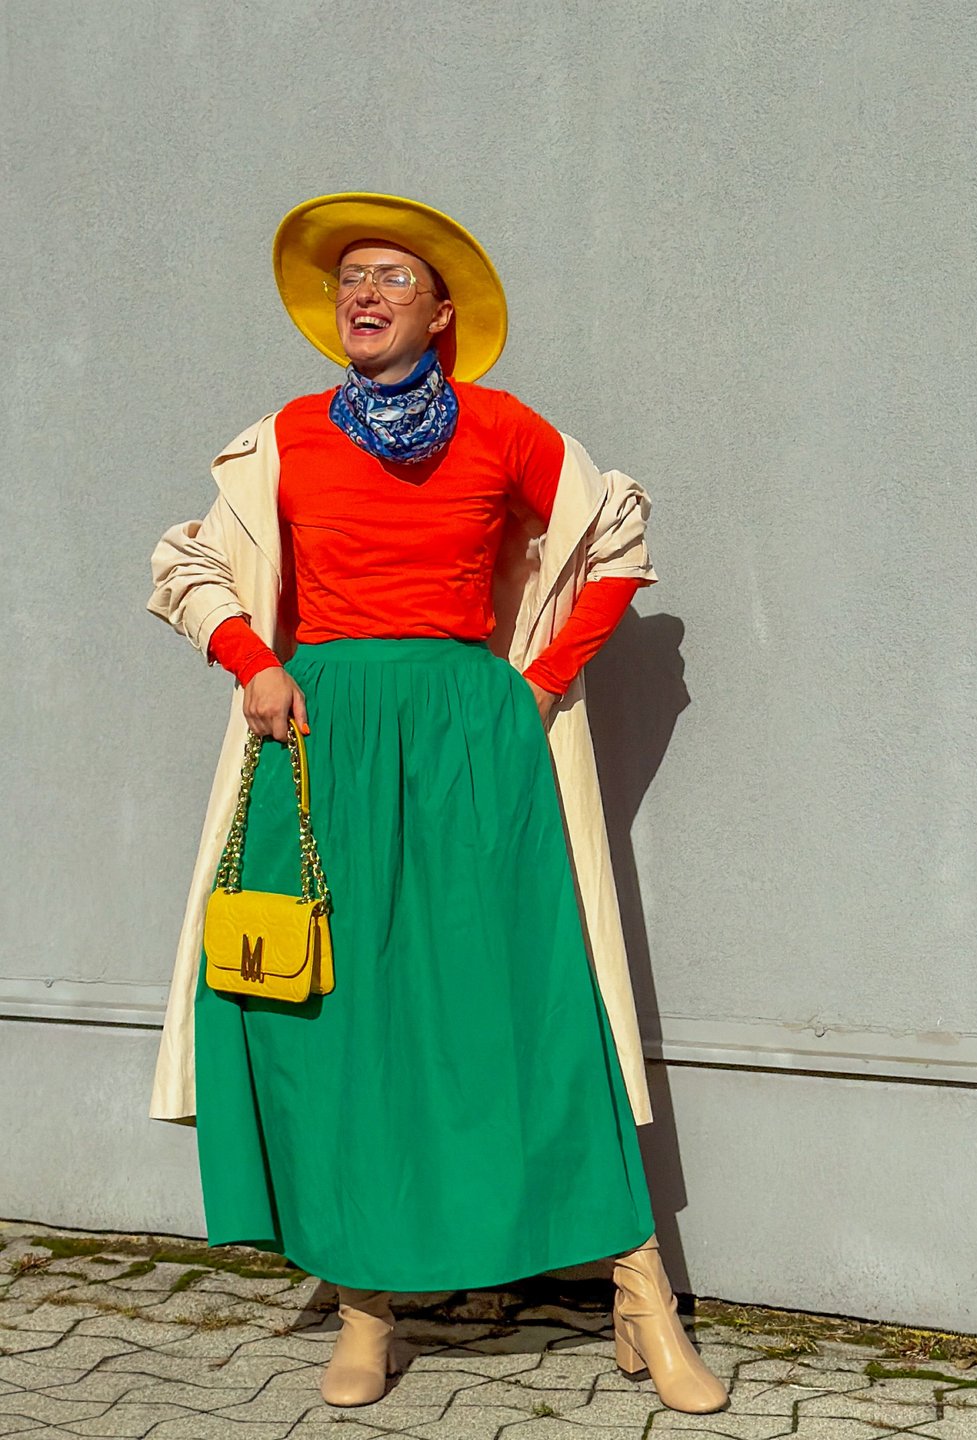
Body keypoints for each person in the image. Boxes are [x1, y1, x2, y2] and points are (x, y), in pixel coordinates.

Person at [146, 191, 727, 1416]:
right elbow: (187, 563)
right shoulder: (285, 435)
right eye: (349, 278)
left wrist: (539, 688)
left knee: (528, 1004)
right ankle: (366, 1305)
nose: (363, 295)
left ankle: (639, 1291)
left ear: (441, 312)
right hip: (323, 735)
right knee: (343, 1015)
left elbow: (614, 537)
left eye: (391, 280)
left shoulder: (504, 428)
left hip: (471, 734)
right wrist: (252, 657)